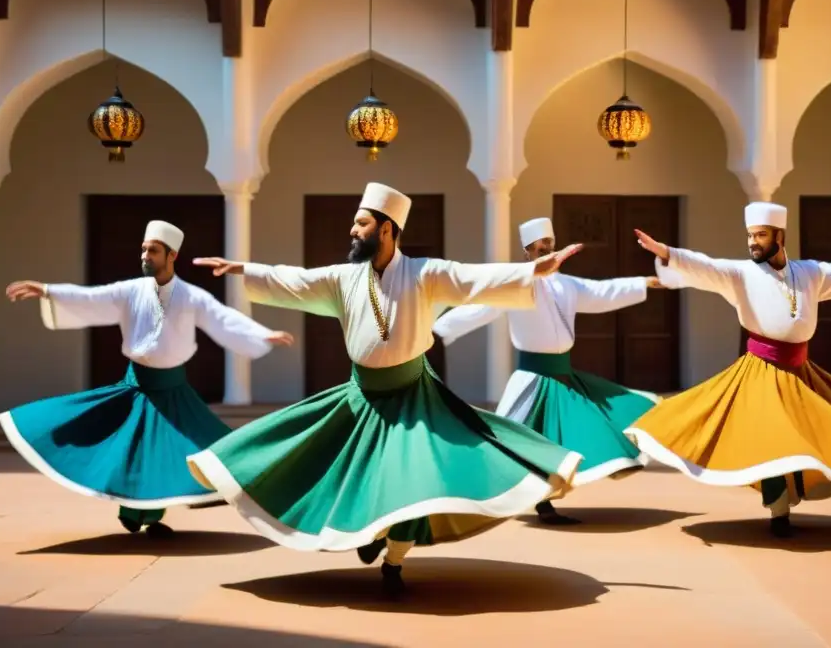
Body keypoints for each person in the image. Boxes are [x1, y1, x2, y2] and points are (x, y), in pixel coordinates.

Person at [186, 183, 585, 597]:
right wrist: (240, 269)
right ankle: (372, 533)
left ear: (387, 229)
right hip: (363, 398)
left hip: (414, 398)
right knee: (352, 475)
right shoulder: (344, 278)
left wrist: (534, 269)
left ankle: (393, 562)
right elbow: (298, 281)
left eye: (361, 224)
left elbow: (473, 278)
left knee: (411, 483)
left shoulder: (425, 273)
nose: (353, 231)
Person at [626, 202, 831, 538]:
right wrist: (667, 253)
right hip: (760, 371)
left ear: (780, 236)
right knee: (774, 439)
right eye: (750, 236)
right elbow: (706, 267)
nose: (753, 243)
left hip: (801, 370)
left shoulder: (809, 272)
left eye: (760, 235)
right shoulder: (740, 274)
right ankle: (779, 512)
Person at [0, 220, 294, 538]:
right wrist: (46, 290)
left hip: (173, 391)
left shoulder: (191, 296)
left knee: (195, 449)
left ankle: (147, 513)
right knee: (132, 449)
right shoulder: (130, 291)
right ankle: (136, 512)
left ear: (172, 256)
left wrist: (264, 335)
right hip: (136, 386)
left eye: (152, 251)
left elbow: (222, 318)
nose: (145, 255)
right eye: (143, 249)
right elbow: (92, 298)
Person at [432, 216, 663, 525]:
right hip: (533, 379)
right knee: (510, 446)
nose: (546, 253)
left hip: (564, 376)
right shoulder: (516, 285)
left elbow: (601, 292)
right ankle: (478, 498)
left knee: (573, 436)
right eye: (539, 249)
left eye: (550, 247)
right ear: (526, 252)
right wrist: (436, 332)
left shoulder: (566, 284)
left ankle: (546, 502)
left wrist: (645, 282)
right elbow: (478, 308)